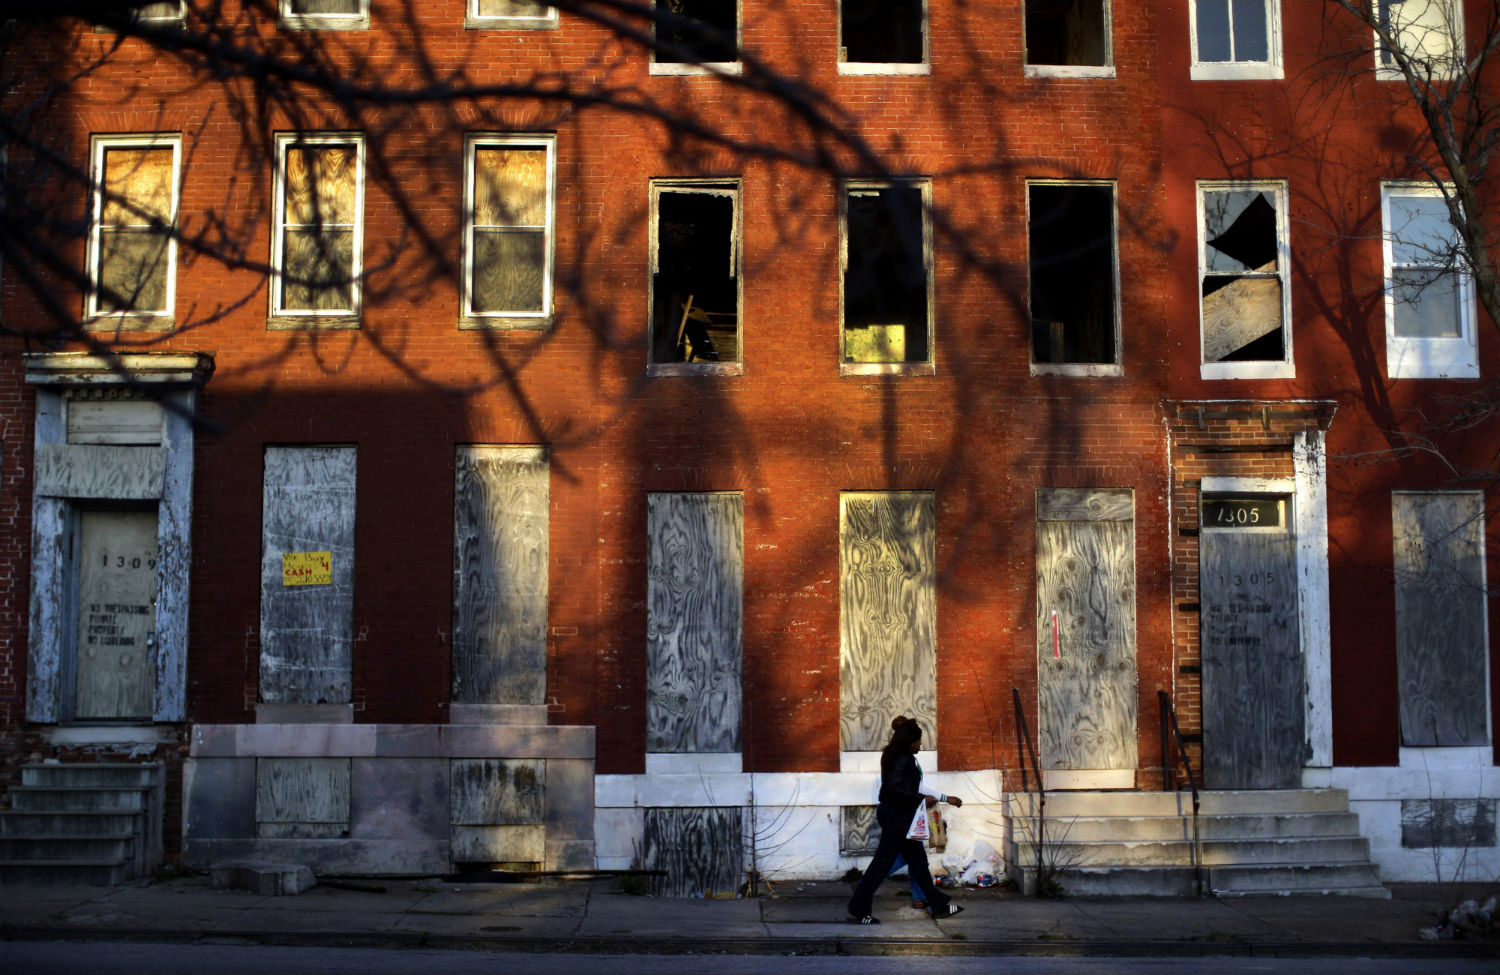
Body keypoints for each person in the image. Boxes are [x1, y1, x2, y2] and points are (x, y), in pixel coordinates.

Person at [847, 716, 964, 923]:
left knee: (918, 863)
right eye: (918, 741)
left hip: (900, 816)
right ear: (908, 741)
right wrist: (922, 799)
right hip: (897, 818)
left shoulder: (896, 756)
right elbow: (892, 789)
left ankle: (938, 905)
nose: (920, 744)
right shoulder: (903, 759)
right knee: (882, 865)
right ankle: (859, 909)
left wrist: (935, 798)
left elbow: (904, 787)